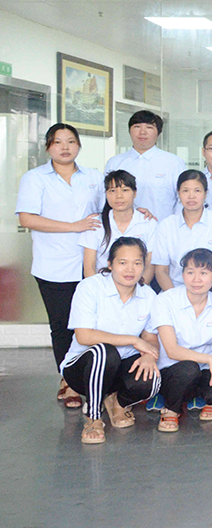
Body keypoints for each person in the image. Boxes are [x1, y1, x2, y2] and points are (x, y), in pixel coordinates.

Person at [16, 123, 105, 408]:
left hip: (91, 263)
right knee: (62, 326)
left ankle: (95, 377)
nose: (65, 147)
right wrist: (73, 226)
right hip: (53, 265)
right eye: (57, 142)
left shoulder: (93, 177)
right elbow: (27, 218)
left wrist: (136, 209)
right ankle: (68, 381)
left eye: (70, 141)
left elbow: (109, 208)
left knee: (94, 323)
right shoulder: (35, 178)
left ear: (79, 145)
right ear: (48, 147)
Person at [59, 237, 160, 444]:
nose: (130, 269)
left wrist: (150, 355)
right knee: (104, 352)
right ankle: (94, 418)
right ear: (110, 264)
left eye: (137, 263)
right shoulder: (90, 287)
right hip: (83, 369)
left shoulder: (149, 296)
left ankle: (118, 403)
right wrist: (133, 340)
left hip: (120, 366)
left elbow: (150, 337)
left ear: (144, 266)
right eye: (123, 262)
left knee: (152, 379)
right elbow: (84, 336)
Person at [149, 248, 212, 431]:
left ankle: (206, 399)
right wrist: (210, 359)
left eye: (204, 273)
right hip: (173, 371)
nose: (196, 279)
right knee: (188, 369)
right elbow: (172, 350)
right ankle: (172, 409)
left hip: (204, 369)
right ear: (183, 274)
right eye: (190, 272)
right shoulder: (165, 300)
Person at [151, 170, 212, 293]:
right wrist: (175, 299)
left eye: (197, 191)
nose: (191, 196)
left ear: (206, 194)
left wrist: (203, 295)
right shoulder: (166, 225)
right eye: (185, 191)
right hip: (174, 291)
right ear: (178, 193)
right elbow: (161, 270)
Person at [105, 110, 187, 221]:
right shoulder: (115, 163)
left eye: (149, 127)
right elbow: (107, 199)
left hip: (163, 227)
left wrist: (174, 225)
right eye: (137, 127)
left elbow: (182, 199)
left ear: (158, 133)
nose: (142, 132)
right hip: (123, 227)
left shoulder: (174, 162)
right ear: (129, 131)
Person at [82, 169, 155, 285]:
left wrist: (135, 290)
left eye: (125, 190)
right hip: (102, 287)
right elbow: (89, 267)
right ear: (106, 194)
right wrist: (99, 291)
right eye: (112, 191)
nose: (119, 196)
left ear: (135, 193)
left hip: (138, 287)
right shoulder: (95, 223)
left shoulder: (148, 223)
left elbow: (150, 266)